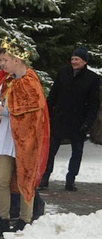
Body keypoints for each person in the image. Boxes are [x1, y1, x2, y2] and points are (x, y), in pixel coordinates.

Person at [0, 39, 49, 237]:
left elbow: (33, 111)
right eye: (1, 60)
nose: (1, 63)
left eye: (4, 60)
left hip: (24, 140)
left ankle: (24, 219)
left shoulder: (30, 81)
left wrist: (4, 112)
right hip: (5, 137)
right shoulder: (7, 80)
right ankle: (2, 219)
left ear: (17, 60)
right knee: (2, 179)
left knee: (24, 178)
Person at [40, 47, 101, 191]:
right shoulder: (63, 73)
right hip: (60, 118)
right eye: (72, 59)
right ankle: (45, 177)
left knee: (77, 152)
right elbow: (53, 95)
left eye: (77, 59)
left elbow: (94, 104)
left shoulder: (92, 78)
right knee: (51, 150)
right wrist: (47, 113)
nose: (74, 62)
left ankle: (71, 179)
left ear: (84, 61)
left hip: (79, 121)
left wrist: (88, 123)